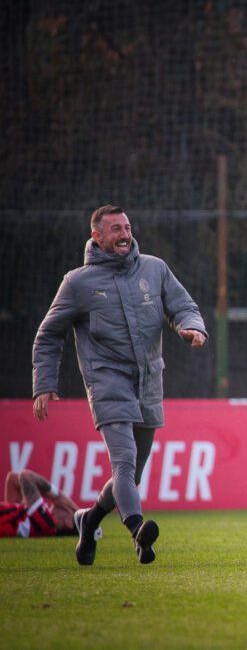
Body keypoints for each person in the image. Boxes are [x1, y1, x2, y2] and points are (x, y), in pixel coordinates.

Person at [32, 205, 207, 565]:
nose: (125, 234)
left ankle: (88, 520)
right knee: (124, 462)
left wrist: (192, 327)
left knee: (131, 473)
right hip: (107, 383)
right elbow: (48, 335)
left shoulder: (155, 269)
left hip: (149, 382)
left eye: (127, 227)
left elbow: (183, 306)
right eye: (115, 229)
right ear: (96, 236)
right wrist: (44, 383)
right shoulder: (77, 283)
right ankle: (138, 530)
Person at [1, 470, 83, 538]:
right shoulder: (26, 521)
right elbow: (12, 479)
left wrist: (57, 495)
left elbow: (25, 476)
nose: (65, 507)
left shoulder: (48, 524)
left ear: (68, 523)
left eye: (70, 511)